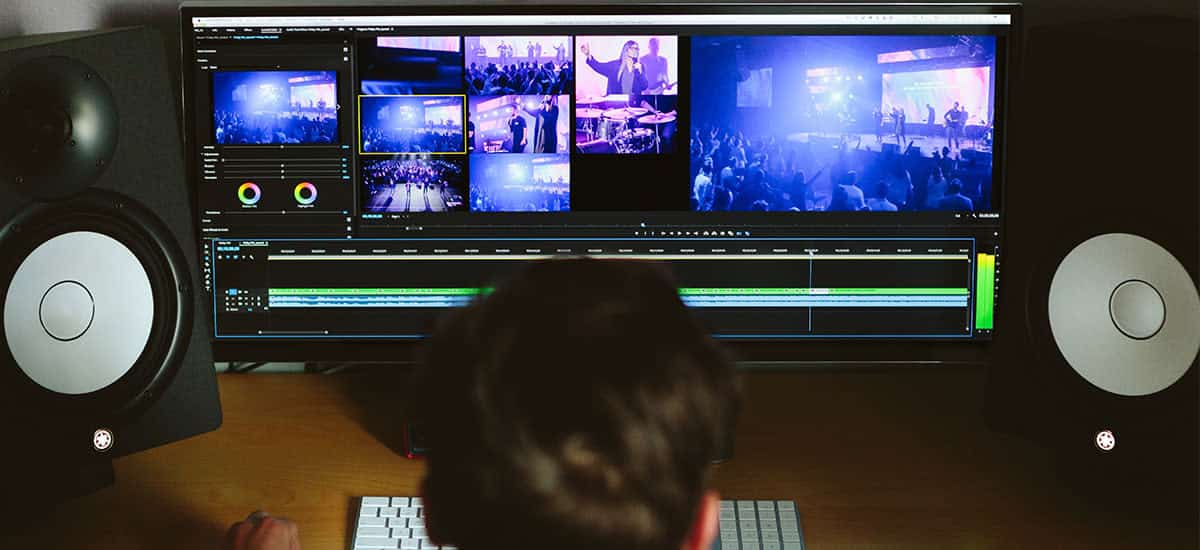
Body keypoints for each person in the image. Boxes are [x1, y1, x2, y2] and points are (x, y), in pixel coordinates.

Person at [581, 40, 648, 96]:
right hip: (617, 103)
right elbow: (599, 66)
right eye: (633, 48)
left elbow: (644, 86)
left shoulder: (640, 66)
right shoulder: (615, 65)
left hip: (633, 103)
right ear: (626, 49)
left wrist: (640, 73)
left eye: (637, 49)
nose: (636, 50)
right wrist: (588, 55)